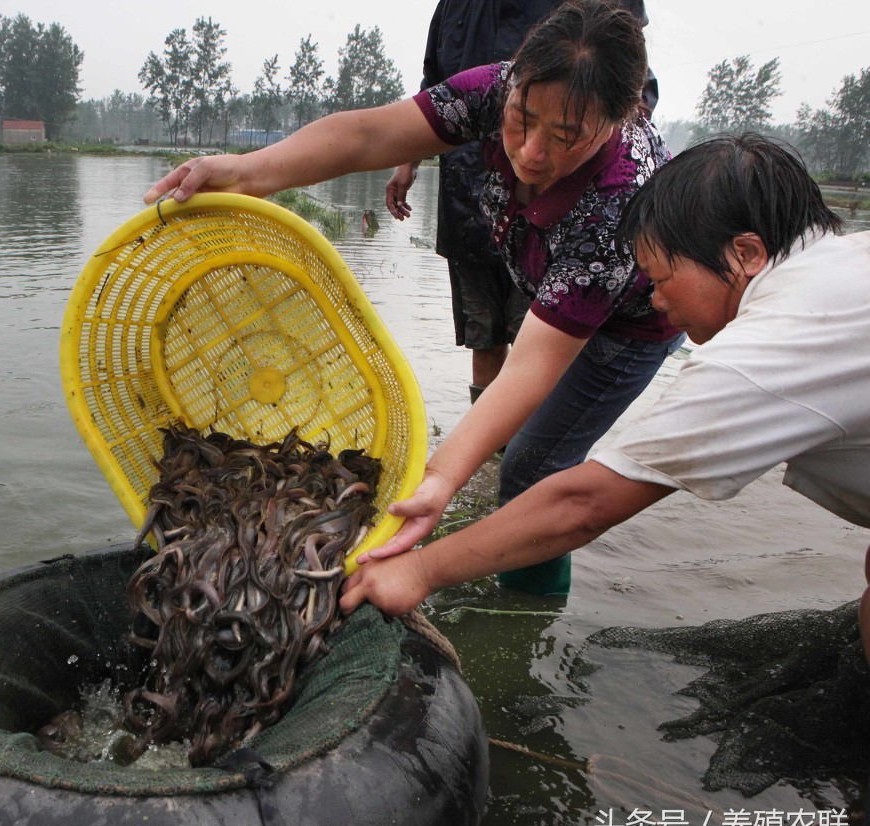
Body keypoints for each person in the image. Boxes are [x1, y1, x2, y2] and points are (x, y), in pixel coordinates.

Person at [144, 0, 681, 595]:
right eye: (522, 119)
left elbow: (534, 365)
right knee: (507, 438)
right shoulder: (498, 87)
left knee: (532, 466)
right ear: (515, 83)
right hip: (546, 270)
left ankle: (528, 614)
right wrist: (245, 172)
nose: (530, 152)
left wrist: (439, 478)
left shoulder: (619, 200)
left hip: (633, 323)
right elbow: (368, 133)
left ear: (619, 120)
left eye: (565, 137)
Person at [340, 134, 870, 663]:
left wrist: (419, 570)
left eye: (662, 278)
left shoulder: (771, 347)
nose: (657, 301)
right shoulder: (844, 267)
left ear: (746, 253)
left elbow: (585, 504)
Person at [385, 0, 658, 407]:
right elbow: (434, 84)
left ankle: (521, 451)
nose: (530, 150)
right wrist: (407, 161)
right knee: (484, 332)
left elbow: (633, 92)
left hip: (555, 218)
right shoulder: (457, 8)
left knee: (536, 339)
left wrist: (580, 153)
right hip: (469, 196)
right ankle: (492, 453)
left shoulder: (603, 215)